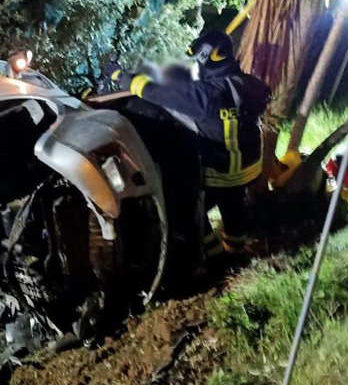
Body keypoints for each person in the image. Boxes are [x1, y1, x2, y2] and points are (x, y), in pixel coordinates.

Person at [105, 31, 271, 260]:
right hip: (248, 170)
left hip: (219, 173)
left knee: (190, 209)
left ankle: (214, 258)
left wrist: (121, 78)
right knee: (234, 210)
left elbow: (159, 93)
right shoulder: (253, 86)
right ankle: (236, 253)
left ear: (208, 58)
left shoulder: (206, 95)